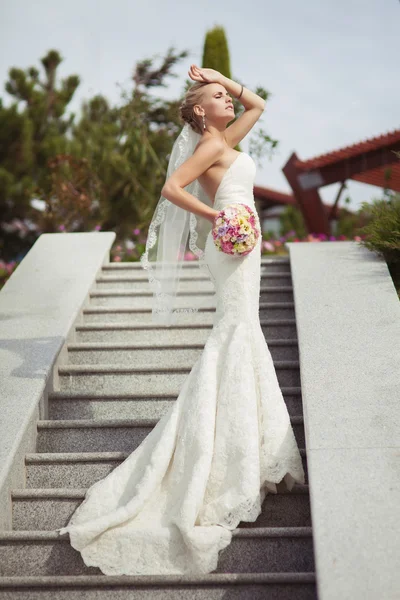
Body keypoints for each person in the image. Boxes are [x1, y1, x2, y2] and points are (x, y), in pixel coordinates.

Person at [56, 65, 305, 575]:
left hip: (244, 238)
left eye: (226, 95)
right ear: (199, 110)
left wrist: (224, 77)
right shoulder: (209, 148)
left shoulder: (228, 136)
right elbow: (172, 188)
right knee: (235, 329)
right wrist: (217, 216)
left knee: (242, 329)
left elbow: (259, 105)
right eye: (218, 96)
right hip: (231, 238)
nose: (229, 101)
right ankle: (233, 452)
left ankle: (247, 444)